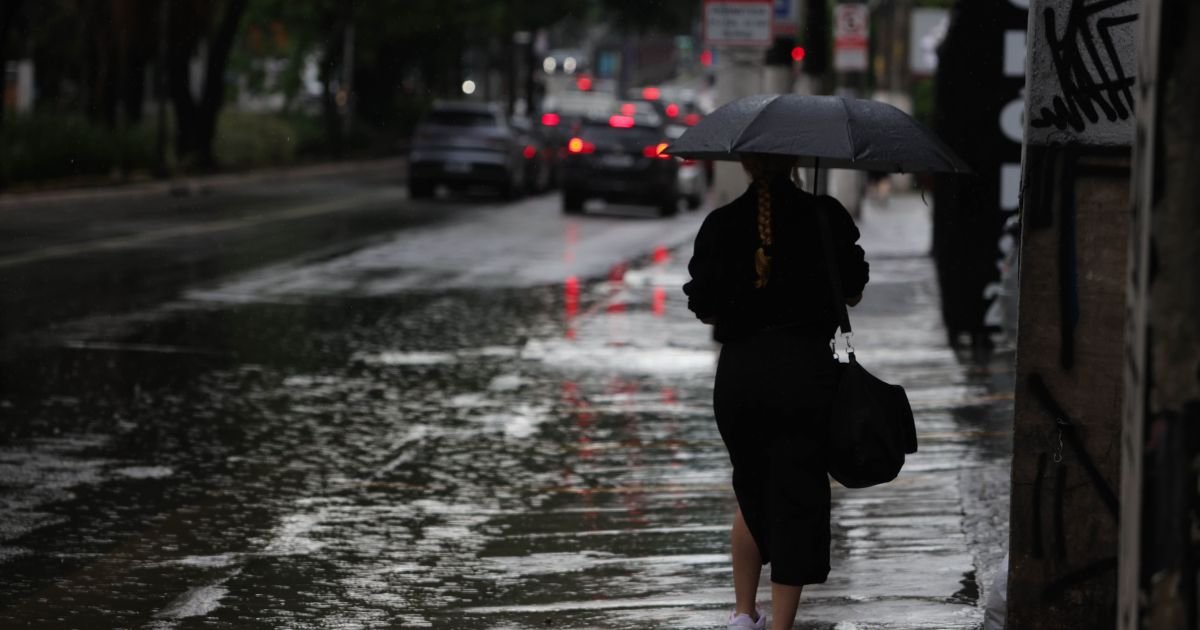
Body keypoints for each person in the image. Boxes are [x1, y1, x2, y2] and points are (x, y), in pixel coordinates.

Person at [682, 153, 869, 630]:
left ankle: (744, 615)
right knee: (796, 496)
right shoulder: (824, 216)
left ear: (745, 163)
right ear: (795, 161)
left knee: (752, 489)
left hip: (740, 378)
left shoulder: (721, 223)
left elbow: (702, 304)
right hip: (806, 376)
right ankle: (781, 626)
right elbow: (852, 290)